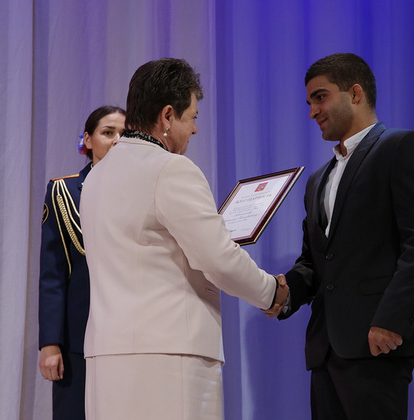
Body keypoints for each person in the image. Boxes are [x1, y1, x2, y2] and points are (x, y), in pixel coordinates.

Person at [79, 58, 288, 420]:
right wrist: (271, 292)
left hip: (107, 355)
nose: (194, 129)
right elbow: (219, 259)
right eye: (191, 117)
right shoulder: (171, 169)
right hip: (167, 357)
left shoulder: (97, 175)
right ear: (167, 116)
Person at [278, 53, 414, 419]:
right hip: (326, 349)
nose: (312, 111)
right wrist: (283, 292)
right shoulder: (316, 180)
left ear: (354, 93)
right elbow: (314, 261)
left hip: (378, 342)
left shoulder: (402, 147)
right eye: (309, 102)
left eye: (320, 97)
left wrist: (391, 318)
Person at [38, 105, 126, 420]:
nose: (116, 140)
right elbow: (53, 273)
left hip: (130, 333)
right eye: (108, 132)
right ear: (88, 140)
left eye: (124, 134)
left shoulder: (141, 190)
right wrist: (50, 343)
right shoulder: (63, 192)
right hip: (78, 336)